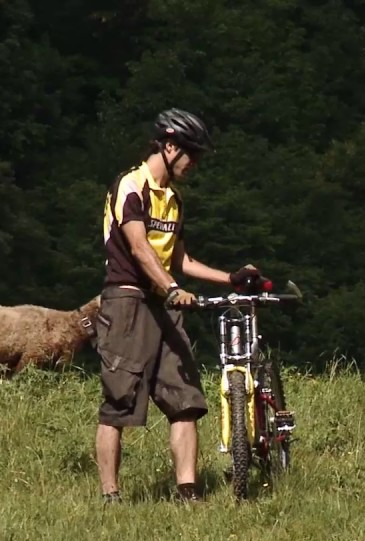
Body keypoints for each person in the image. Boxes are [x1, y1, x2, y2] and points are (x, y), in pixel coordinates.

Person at [94, 107, 267, 503]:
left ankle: (188, 493)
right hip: (128, 301)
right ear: (169, 147)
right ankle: (111, 496)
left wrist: (232, 278)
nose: (195, 164)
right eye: (192, 154)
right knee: (119, 402)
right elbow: (138, 247)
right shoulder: (130, 185)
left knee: (185, 399)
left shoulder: (174, 200)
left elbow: (181, 260)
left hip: (165, 303)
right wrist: (171, 288)